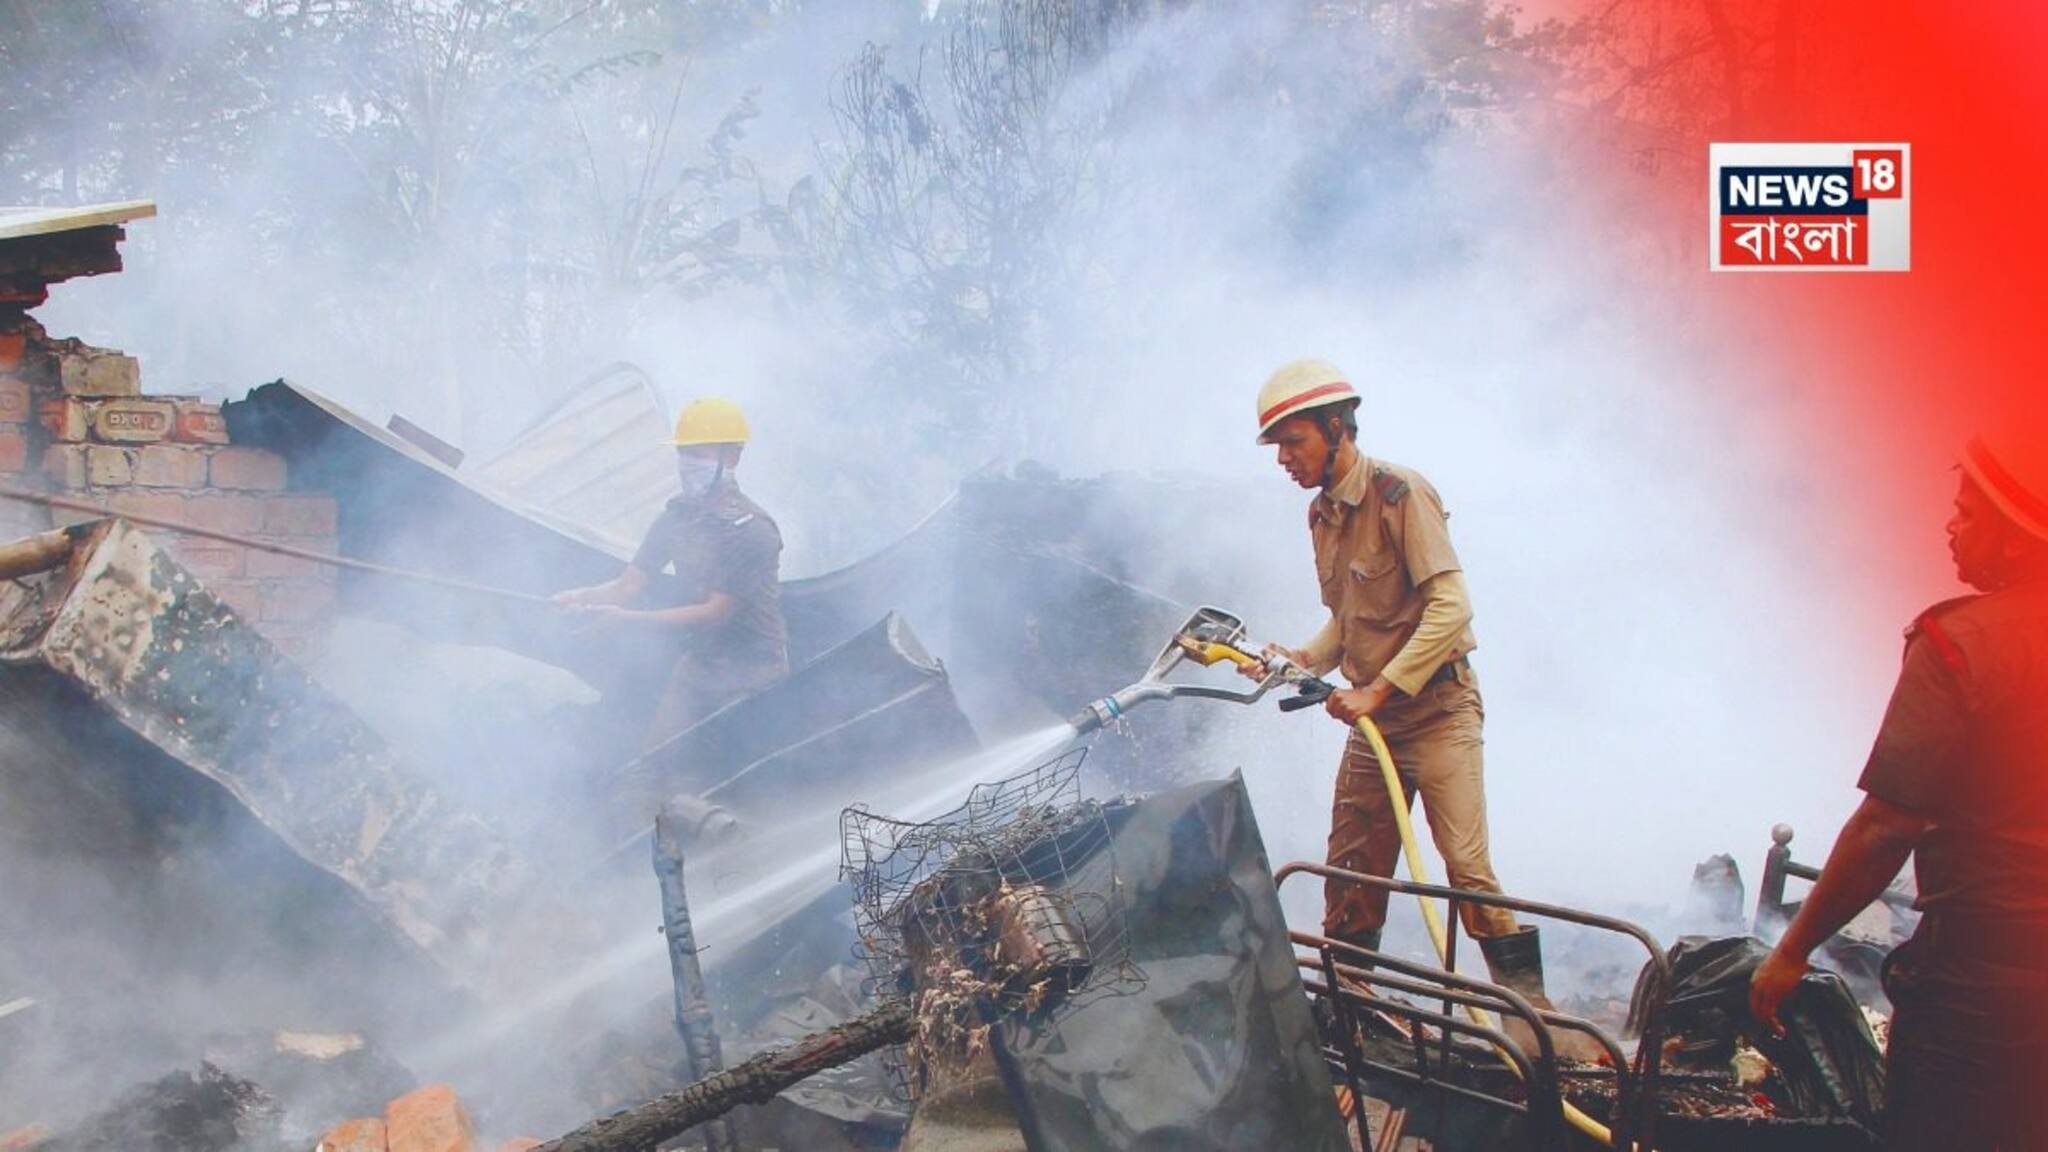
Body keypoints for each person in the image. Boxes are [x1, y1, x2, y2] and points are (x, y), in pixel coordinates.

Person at [1246, 358, 1575, 1028]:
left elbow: (1450, 606)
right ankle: (1350, 1009)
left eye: (1294, 441)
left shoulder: (1402, 494)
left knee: (1466, 868)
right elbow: (1350, 615)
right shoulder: (1320, 516)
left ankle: (1530, 1020)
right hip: (1376, 726)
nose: (1284, 458)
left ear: (1337, 429)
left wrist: (1380, 690)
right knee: (1353, 868)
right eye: (1277, 446)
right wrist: (1302, 656)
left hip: (1438, 713)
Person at [1751, 432, 2048, 1150]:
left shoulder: (1961, 645)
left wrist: (1791, 951)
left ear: (2016, 538)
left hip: (1984, 992)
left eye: (1968, 514)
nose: (1951, 527)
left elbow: (1889, 823)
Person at [553, 397, 788, 753]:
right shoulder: (677, 517)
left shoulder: (753, 531)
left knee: (730, 772)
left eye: (701, 451)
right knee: (654, 766)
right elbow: (628, 584)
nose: (688, 462)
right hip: (699, 666)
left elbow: (714, 612)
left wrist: (625, 621)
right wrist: (581, 596)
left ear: (733, 457)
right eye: (685, 451)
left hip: (752, 672)